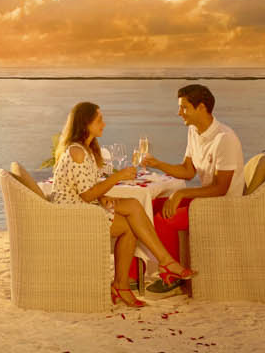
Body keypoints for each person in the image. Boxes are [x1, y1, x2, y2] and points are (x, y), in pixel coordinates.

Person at [49, 100, 195, 308]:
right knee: (129, 228)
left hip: (83, 206)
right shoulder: (77, 152)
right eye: (99, 119)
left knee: (134, 205)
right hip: (75, 214)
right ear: (85, 123)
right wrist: (118, 177)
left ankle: (160, 264)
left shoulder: (85, 150)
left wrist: (103, 196)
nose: (104, 124)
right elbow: (86, 195)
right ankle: (127, 282)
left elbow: (87, 187)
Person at [136, 83, 242, 297]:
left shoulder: (225, 138)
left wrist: (182, 193)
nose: (179, 112)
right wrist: (157, 163)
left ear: (201, 107)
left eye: (184, 107)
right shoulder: (194, 132)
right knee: (148, 207)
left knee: (164, 218)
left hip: (223, 205)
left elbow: (222, 188)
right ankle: (135, 276)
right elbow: (187, 171)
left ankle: (172, 278)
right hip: (207, 198)